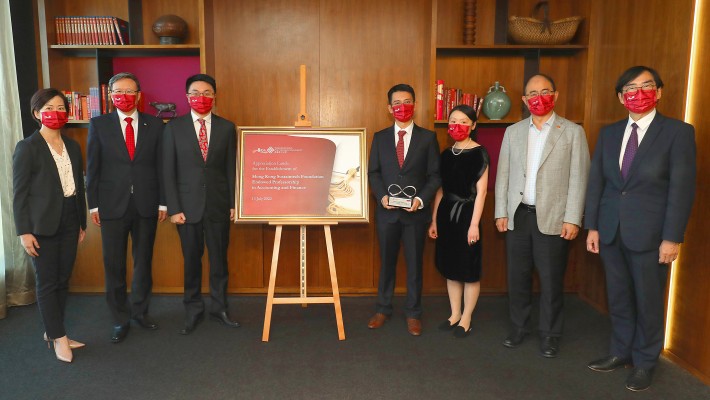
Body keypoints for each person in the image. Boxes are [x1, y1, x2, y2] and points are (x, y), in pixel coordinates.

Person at [585, 66, 696, 392]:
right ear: (621, 97)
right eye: (630, 89)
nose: (638, 93)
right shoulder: (609, 134)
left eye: (646, 86)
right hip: (611, 230)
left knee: (648, 300)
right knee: (618, 296)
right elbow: (598, 184)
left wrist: (672, 237)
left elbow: (682, 189)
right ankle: (621, 352)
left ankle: (646, 361)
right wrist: (592, 226)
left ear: (659, 92)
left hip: (651, 235)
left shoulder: (678, 132)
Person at [495, 74, 590, 357]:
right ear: (524, 100)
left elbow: (579, 178)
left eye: (545, 91)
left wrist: (573, 218)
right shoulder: (513, 131)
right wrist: (501, 211)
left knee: (550, 280)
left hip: (554, 218)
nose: (539, 97)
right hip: (519, 216)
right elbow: (503, 175)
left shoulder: (572, 132)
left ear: (555, 95)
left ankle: (550, 334)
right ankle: (519, 327)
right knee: (518, 276)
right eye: (532, 93)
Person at [86, 72, 167, 343]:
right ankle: (120, 318)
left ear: (139, 95)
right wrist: (93, 205)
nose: (124, 95)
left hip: (146, 204)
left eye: (130, 91)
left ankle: (140, 312)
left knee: (143, 262)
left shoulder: (155, 126)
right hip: (111, 206)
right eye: (118, 91)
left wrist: (163, 201)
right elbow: (93, 168)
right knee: (114, 264)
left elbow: (162, 167)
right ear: (110, 96)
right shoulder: (98, 125)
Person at [13, 88, 88, 362]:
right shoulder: (27, 147)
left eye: (60, 108)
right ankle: (58, 338)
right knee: (47, 283)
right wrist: (24, 231)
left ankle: (54, 331)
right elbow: (19, 194)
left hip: (70, 219)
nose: (55, 113)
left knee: (62, 279)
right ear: (36, 114)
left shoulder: (73, 145)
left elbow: (77, 186)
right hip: (41, 225)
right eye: (48, 108)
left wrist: (81, 222)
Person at [163, 73, 239, 335]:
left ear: (214, 97)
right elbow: (168, 171)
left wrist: (233, 203)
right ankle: (193, 310)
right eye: (196, 92)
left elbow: (231, 169)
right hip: (186, 208)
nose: (201, 97)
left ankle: (220, 308)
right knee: (191, 262)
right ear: (187, 97)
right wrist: (174, 209)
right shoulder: (173, 128)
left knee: (219, 261)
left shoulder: (227, 128)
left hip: (218, 205)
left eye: (207, 93)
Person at [367, 83, 441, 336]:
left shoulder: (428, 138)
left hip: (415, 215)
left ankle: (413, 313)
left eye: (407, 101)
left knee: (414, 265)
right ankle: (382, 309)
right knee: (386, 263)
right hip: (387, 214)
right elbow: (374, 173)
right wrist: (382, 196)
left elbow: (434, 176)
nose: (402, 107)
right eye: (397, 103)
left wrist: (420, 200)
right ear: (389, 108)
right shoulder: (379, 138)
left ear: (415, 104)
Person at [428, 104, 489, 338]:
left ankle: (467, 318)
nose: (458, 125)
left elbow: (481, 192)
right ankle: (454, 314)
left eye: (464, 121)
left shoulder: (480, 153)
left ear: (473, 125)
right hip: (446, 215)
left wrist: (474, 225)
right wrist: (434, 221)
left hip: (467, 214)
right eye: (454, 120)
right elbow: (441, 191)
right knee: (451, 268)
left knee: (469, 269)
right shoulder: (445, 154)